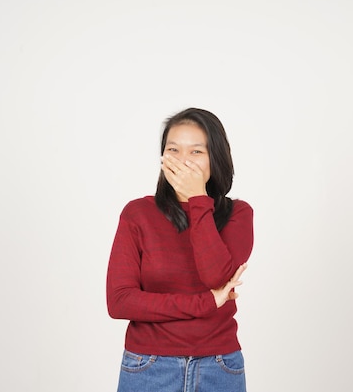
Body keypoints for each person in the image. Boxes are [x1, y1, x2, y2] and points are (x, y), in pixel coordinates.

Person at [106, 107, 254, 392]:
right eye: (173, 149)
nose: (183, 161)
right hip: (148, 366)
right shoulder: (137, 214)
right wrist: (206, 303)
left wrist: (197, 198)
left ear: (216, 157)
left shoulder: (238, 214)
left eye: (196, 152)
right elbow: (120, 301)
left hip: (219, 366)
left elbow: (216, 278)